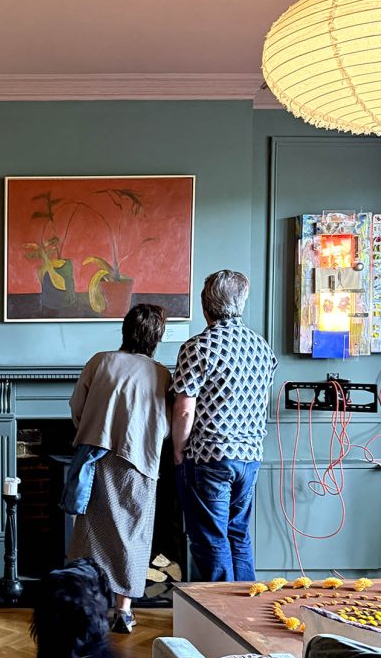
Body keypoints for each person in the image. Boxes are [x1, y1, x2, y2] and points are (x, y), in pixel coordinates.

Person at [66, 303, 171, 633]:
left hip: (99, 460)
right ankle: (123, 611)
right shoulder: (161, 372)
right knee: (134, 536)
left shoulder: (101, 362)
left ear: (126, 329)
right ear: (156, 336)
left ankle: (89, 607)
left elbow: (77, 408)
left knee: (90, 535)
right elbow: (165, 424)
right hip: (141, 463)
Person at [172, 270, 276, 581]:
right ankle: (245, 614)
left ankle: (221, 622)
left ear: (206, 305)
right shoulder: (262, 348)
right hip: (250, 456)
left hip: (211, 457)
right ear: (241, 303)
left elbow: (184, 411)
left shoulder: (198, 347)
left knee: (210, 539)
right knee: (238, 536)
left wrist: (178, 449)